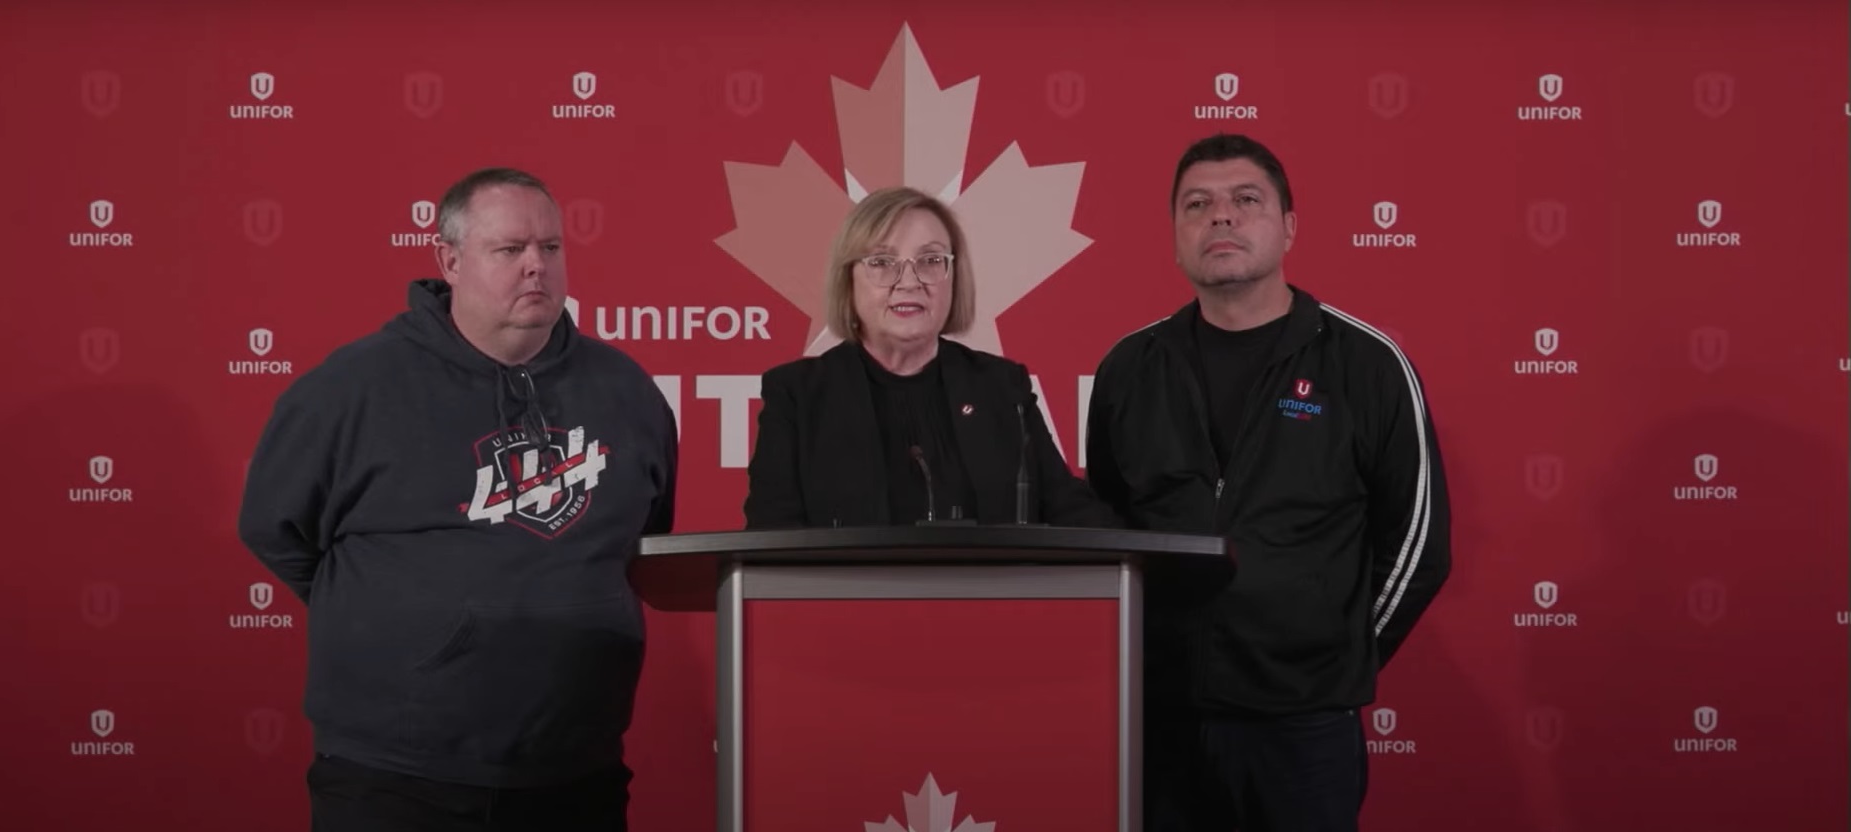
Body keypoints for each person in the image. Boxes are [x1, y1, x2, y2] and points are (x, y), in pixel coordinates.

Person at [237, 167, 678, 831]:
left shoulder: (627, 391)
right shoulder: (351, 389)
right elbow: (275, 528)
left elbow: (645, 533)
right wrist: (405, 625)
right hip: (394, 776)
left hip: (576, 767)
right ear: (449, 261)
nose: (535, 266)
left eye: (550, 247)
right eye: (510, 249)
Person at [1084, 134, 1452, 831]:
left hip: (1303, 730)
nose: (1220, 216)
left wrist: (1332, 660)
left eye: (1245, 199)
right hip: (1161, 723)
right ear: (1175, 237)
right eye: (1197, 204)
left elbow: (1418, 546)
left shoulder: (1366, 364)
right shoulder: (1129, 368)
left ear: (1288, 227)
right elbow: (1108, 531)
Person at [743, 186, 1117, 530]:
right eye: (882, 262)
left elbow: (1071, 512)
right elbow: (770, 541)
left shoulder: (1001, 388)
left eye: (931, 260)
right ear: (848, 280)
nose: (909, 281)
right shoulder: (798, 395)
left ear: (953, 277)